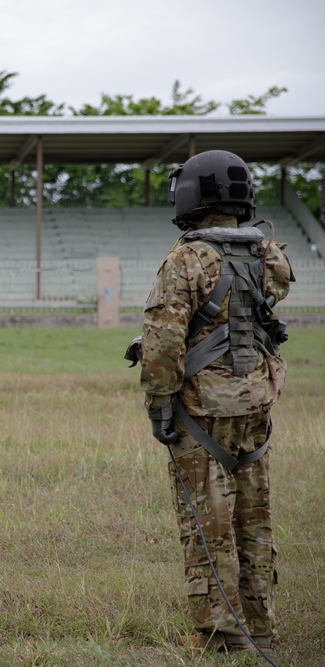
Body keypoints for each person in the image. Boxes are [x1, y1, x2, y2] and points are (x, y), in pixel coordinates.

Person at [136, 150, 295, 653]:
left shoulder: (186, 258)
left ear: (192, 195)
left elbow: (163, 342)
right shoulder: (268, 254)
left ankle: (224, 638)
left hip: (202, 412)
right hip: (256, 407)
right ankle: (261, 626)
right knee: (254, 519)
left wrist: (159, 405)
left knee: (209, 524)